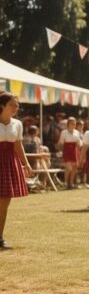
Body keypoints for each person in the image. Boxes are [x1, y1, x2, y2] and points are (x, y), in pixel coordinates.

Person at [0, 92, 31, 249]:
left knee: (4, 202)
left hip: (9, 162)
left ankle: (0, 237)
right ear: (2, 106)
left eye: (17, 105)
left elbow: (18, 144)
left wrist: (26, 163)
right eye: (12, 105)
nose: (16, 108)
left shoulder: (17, 124)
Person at [57, 117, 81, 189]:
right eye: (71, 123)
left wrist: (81, 151)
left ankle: (71, 183)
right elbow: (61, 143)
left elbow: (78, 143)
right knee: (69, 168)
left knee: (74, 168)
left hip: (74, 150)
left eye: (74, 123)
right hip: (67, 150)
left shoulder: (77, 132)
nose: (73, 125)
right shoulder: (64, 132)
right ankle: (65, 182)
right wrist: (60, 151)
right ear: (68, 124)